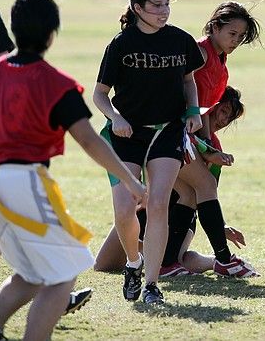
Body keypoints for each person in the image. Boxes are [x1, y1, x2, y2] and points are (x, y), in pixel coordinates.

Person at [0, 0, 145, 341]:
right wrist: (131, 180)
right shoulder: (55, 82)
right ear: (51, 35)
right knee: (64, 273)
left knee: (34, 273)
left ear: (13, 29)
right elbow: (90, 140)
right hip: (22, 182)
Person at [0, 0, 92, 316]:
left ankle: (50, 286)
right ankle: (54, 285)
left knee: (3, 226)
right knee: (6, 225)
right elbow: (3, 69)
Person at [93, 0, 204, 305]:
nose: (164, 10)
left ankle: (152, 284)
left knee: (158, 204)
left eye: (168, 3)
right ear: (137, 8)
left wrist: (194, 110)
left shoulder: (180, 41)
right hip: (127, 135)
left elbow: (189, 81)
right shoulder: (121, 45)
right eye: (157, 5)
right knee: (126, 209)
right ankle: (133, 263)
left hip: (166, 131)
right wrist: (116, 118)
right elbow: (100, 95)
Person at [93, 86, 252, 278]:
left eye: (229, 118)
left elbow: (208, 194)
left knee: (174, 259)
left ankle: (211, 262)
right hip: (147, 209)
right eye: (223, 112)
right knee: (104, 265)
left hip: (180, 217)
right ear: (210, 107)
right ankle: (205, 261)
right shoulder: (178, 130)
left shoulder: (214, 147)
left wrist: (220, 226)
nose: (223, 120)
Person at [174, 1, 261, 278]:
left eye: (240, 36)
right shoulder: (199, 52)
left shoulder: (222, 65)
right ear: (214, 27)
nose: (235, 40)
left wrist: (210, 147)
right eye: (231, 33)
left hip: (190, 135)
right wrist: (204, 147)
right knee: (202, 185)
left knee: (194, 191)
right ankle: (223, 259)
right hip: (173, 132)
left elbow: (206, 113)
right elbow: (185, 102)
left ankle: (166, 262)